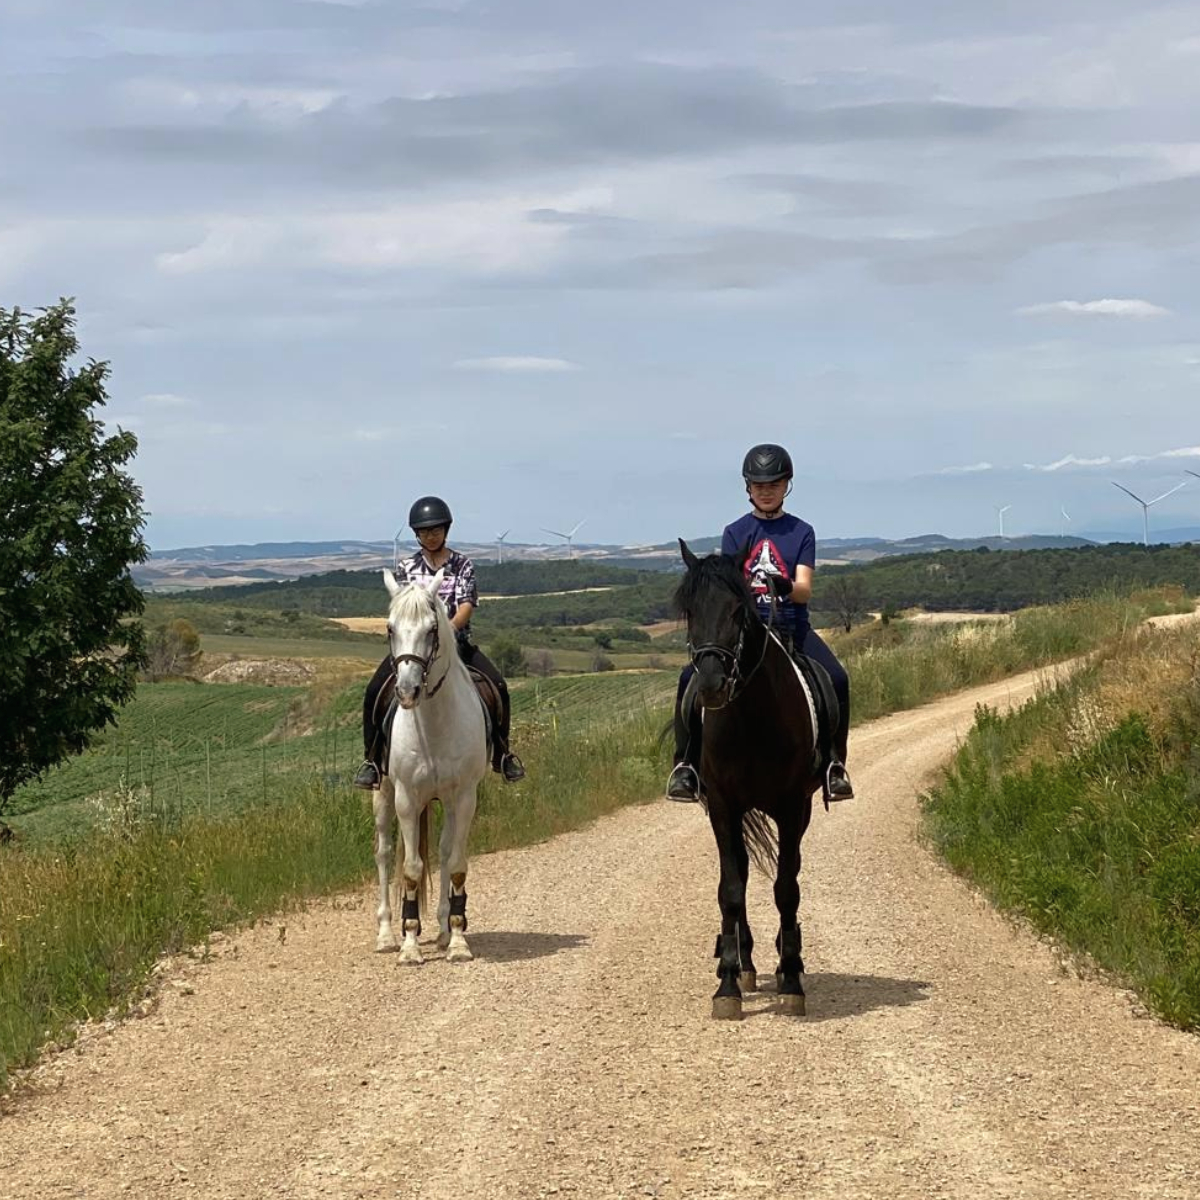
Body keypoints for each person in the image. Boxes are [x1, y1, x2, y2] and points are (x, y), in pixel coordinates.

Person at [665, 443, 854, 804]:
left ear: (787, 486)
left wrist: (785, 586)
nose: (766, 491)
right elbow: (728, 589)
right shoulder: (735, 532)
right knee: (689, 679)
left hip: (791, 627)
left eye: (774, 484)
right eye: (759, 485)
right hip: (749, 630)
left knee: (838, 678)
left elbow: (804, 590)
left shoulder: (802, 532)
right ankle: (686, 764)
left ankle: (833, 765)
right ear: (748, 488)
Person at [353, 495, 526, 789]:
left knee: (498, 686)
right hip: (414, 646)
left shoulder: (462, 565)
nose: (430, 536)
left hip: (455, 643)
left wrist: (448, 631)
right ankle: (371, 760)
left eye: (435, 531)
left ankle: (502, 753)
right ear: (416, 535)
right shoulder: (407, 567)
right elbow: (403, 606)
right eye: (424, 532)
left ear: (446, 530)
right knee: (373, 692)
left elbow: (466, 605)